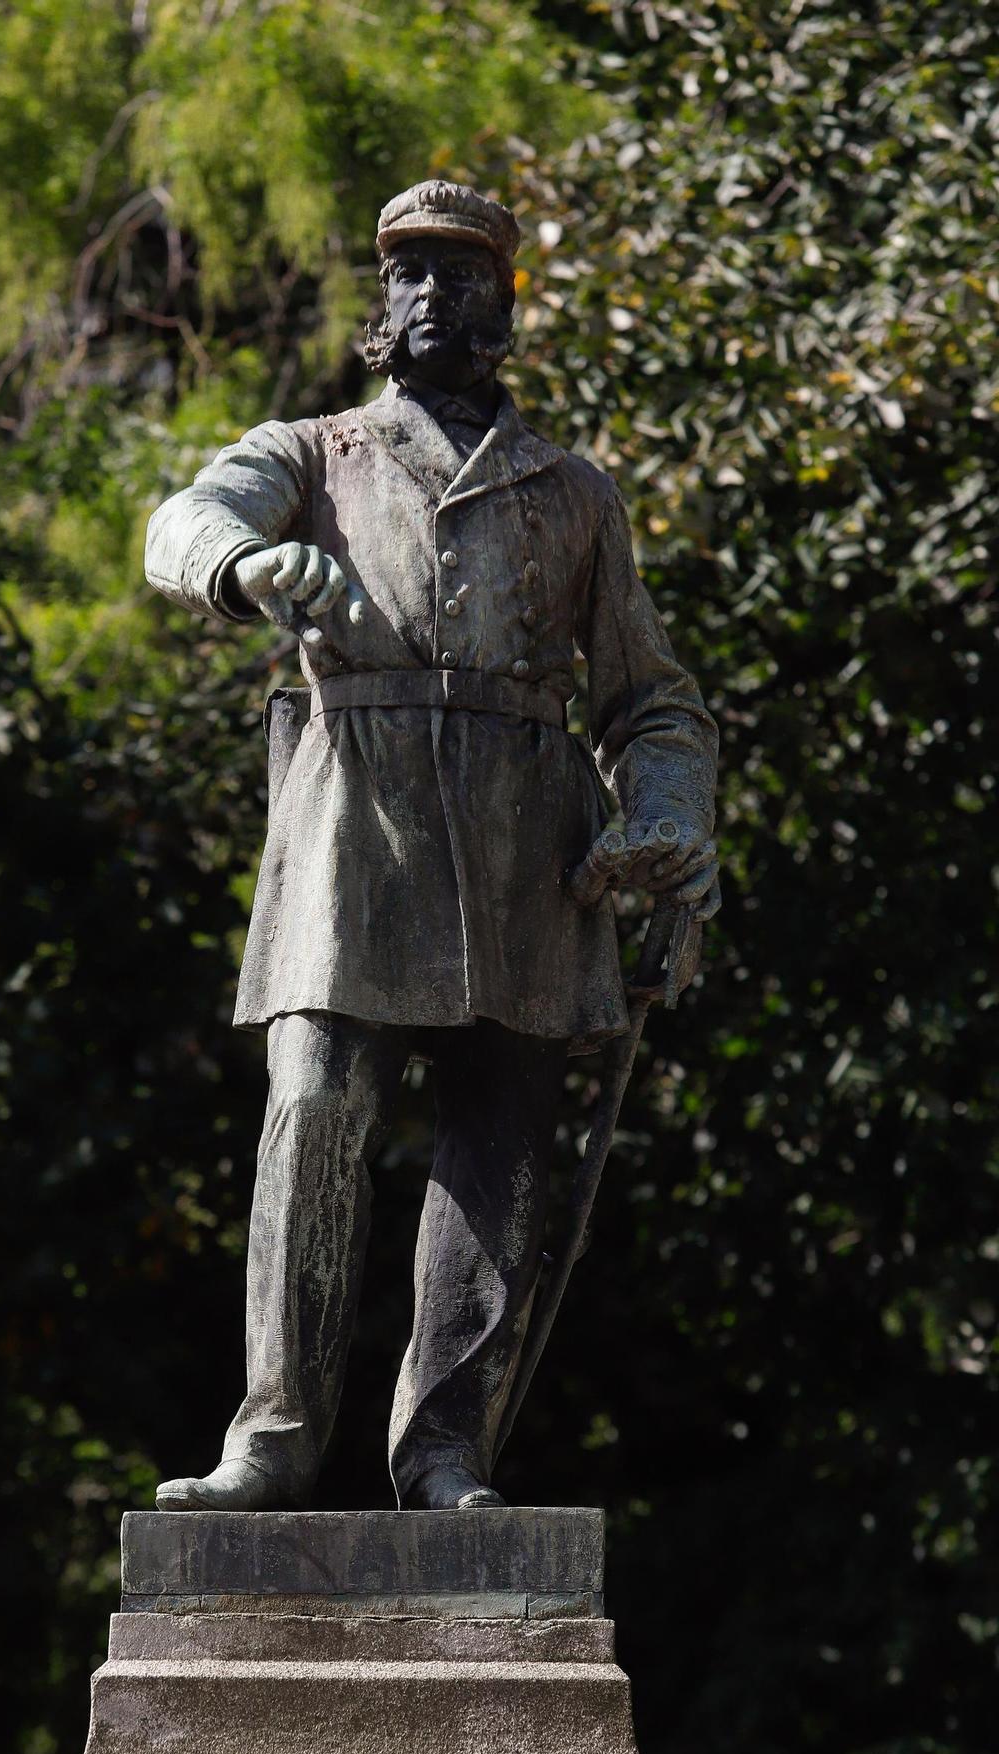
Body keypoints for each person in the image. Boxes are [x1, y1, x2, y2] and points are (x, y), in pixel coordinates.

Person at [143, 181, 719, 1512]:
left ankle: (446, 1450)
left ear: (505, 306)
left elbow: (652, 701)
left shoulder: (574, 493)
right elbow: (184, 521)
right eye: (405, 270)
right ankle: (273, 1435)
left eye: (460, 274)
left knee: (500, 1154)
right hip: (357, 835)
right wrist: (246, 569)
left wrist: (671, 818)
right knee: (315, 1105)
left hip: (532, 856)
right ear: (378, 303)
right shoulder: (314, 451)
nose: (428, 295)